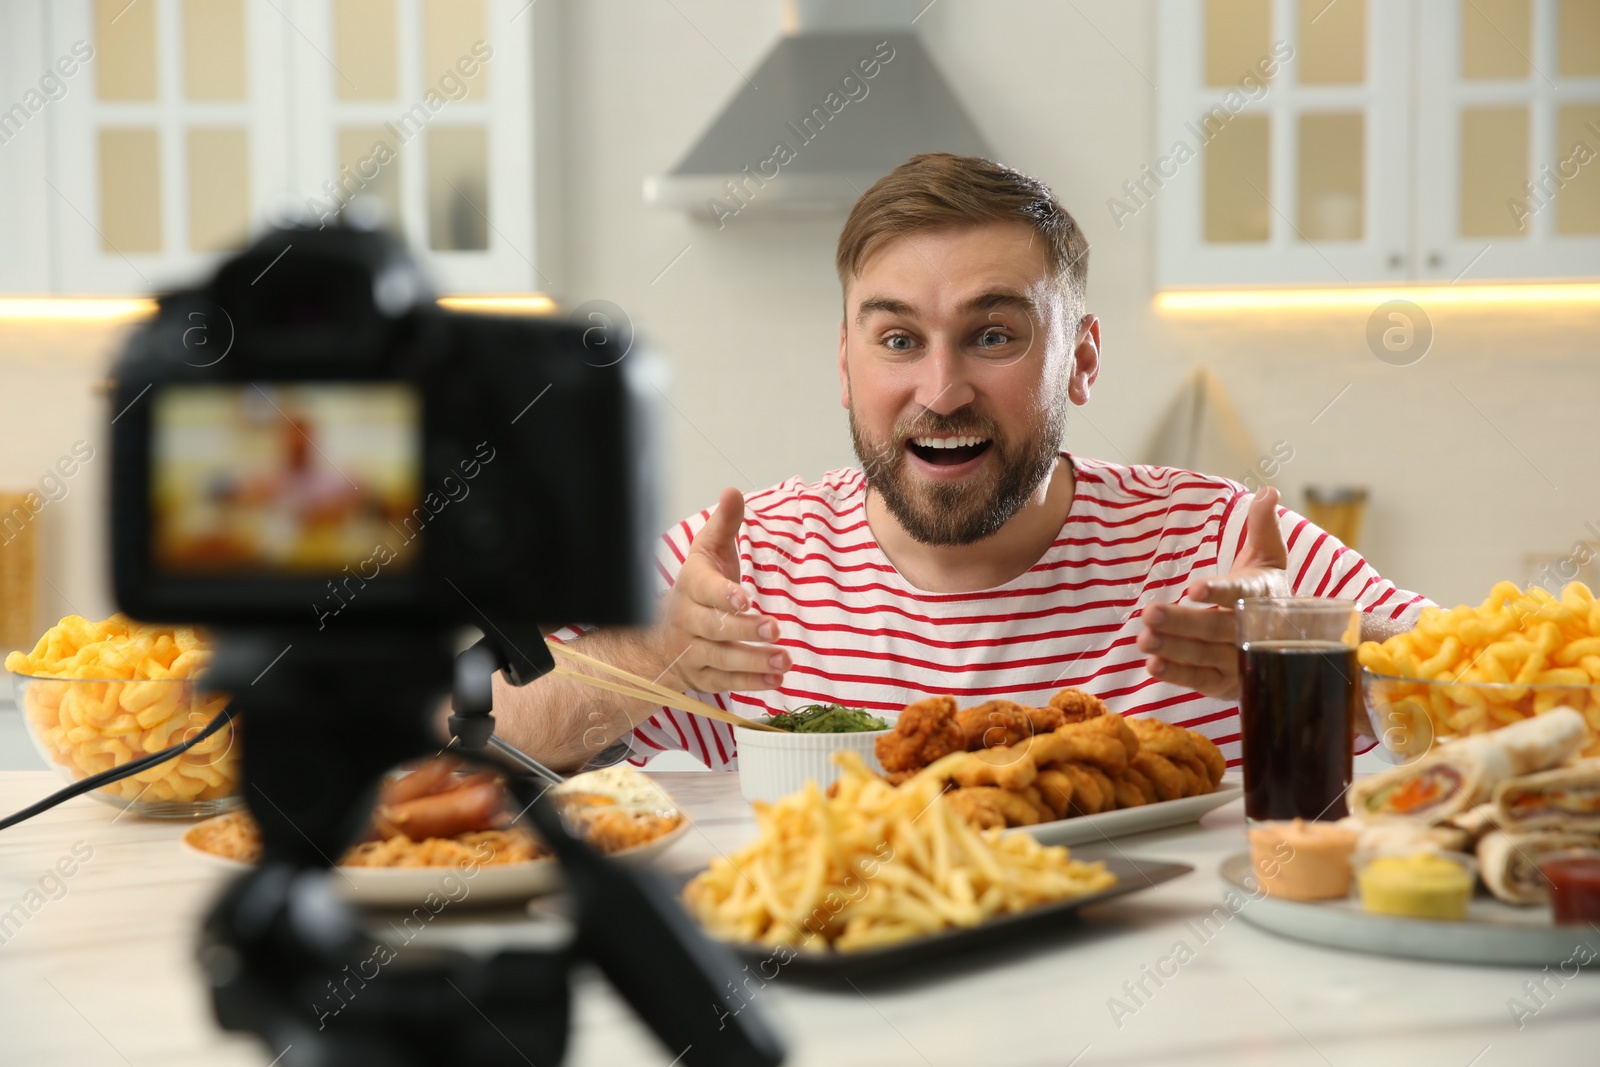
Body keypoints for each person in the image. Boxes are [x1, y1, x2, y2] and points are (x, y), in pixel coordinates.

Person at [495, 153, 1427, 772]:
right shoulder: (739, 567)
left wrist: (1341, 674)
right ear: (846, 363)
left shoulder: (1223, 546)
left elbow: (1548, 712)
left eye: (992, 334)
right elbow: (475, 742)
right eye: (898, 338)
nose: (941, 390)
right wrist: (656, 656)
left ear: (1082, 358)